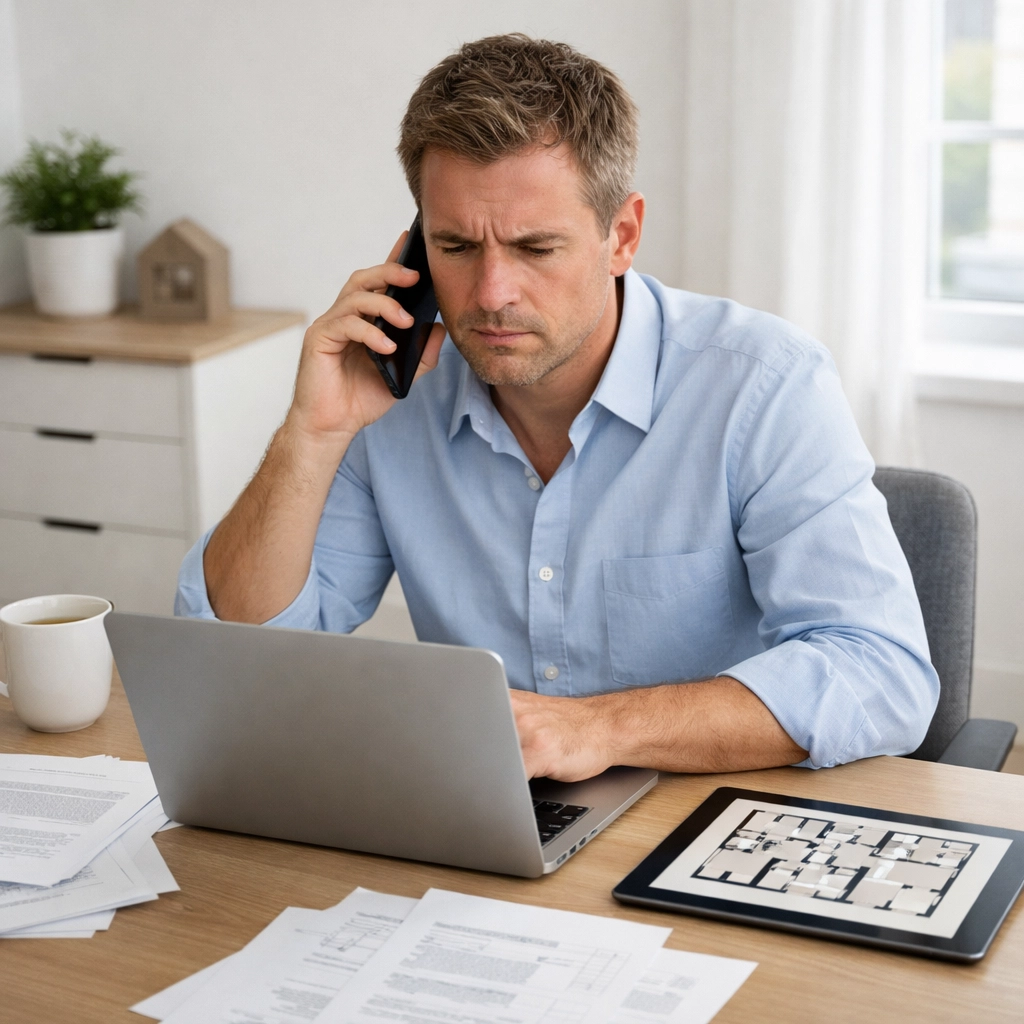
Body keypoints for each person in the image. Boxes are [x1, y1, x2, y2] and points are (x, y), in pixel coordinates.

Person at [176, 34, 938, 782]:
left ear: (622, 236)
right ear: (414, 249)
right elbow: (238, 662)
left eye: (536, 248)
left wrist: (601, 728)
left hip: (700, 814)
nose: (491, 293)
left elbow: (882, 671)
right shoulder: (393, 396)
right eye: (456, 246)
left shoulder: (764, 386)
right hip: (483, 823)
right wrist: (312, 434)